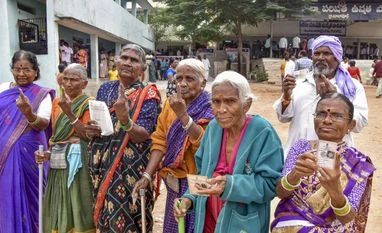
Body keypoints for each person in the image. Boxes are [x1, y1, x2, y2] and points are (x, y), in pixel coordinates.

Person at [173, 71, 284, 233]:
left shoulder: (262, 131)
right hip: (208, 221)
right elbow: (202, 176)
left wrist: (230, 185)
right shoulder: (212, 128)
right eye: (216, 102)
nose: (221, 109)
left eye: (230, 101)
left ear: (246, 104)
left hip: (243, 225)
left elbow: (270, 185)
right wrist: (188, 199)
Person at [271, 93, 375, 233]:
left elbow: (347, 218)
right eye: (320, 114)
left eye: (337, 116)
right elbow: (280, 193)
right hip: (290, 226)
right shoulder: (301, 148)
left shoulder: (357, 164)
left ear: (351, 124)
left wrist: (335, 190)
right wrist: (294, 175)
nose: (327, 120)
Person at [85, 44, 161, 232]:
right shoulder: (105, 89)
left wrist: (125, 119)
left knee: (131, 216)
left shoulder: (148, 94)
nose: (127, 62)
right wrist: (92, 129)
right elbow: (101, 123)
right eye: (124, 58)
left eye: (134, 60)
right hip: (103, 164)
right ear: (116, 62)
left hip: (130, 167)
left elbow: (142, 134)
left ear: (143, 68)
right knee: (106, 216)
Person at [134, 58, 214, 233]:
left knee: (196, 226)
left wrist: (184, 116)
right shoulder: (170, 106)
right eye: (179, 78)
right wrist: (147, 175)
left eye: (190, 79)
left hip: (199, 180)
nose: (183, 84)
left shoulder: (211, 108)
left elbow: (206, 146)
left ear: (203, 83)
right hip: (174, 180)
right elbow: (160, 141)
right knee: (174, 226)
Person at [274, 35, 368, 158]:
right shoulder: (299, 82)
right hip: (298, 155)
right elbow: (283, 118)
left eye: (326, 53)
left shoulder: (352, 87)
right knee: (293, 177)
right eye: (317, 53)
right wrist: (286, 97)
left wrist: (335, 98)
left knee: (327, 176)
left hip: (331, 155)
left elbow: (359, 124)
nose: (321, 58)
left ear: (337, 57)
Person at [35, 64, 95, 233]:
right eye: (65, 79)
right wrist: (47, 153)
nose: (68, 84)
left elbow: (87, 136)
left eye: (74, 80)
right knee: (58, 204)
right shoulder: (56, 102)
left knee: (77, 204)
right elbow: (58, 138)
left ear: (84, 84)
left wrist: (69, 113)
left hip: (78, 164)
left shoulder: (89, 103)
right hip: (57, 163)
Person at [0, 50, 54, 233]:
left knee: (33, 197)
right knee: (6, 194)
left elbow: (43, 123)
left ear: (35, 72)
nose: (21, 74)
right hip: (3, 153)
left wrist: (28, 113)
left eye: (27, 70)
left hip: (29, 155)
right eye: (17, 69)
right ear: (12, 69)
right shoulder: (3, 89)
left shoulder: (42, 94)